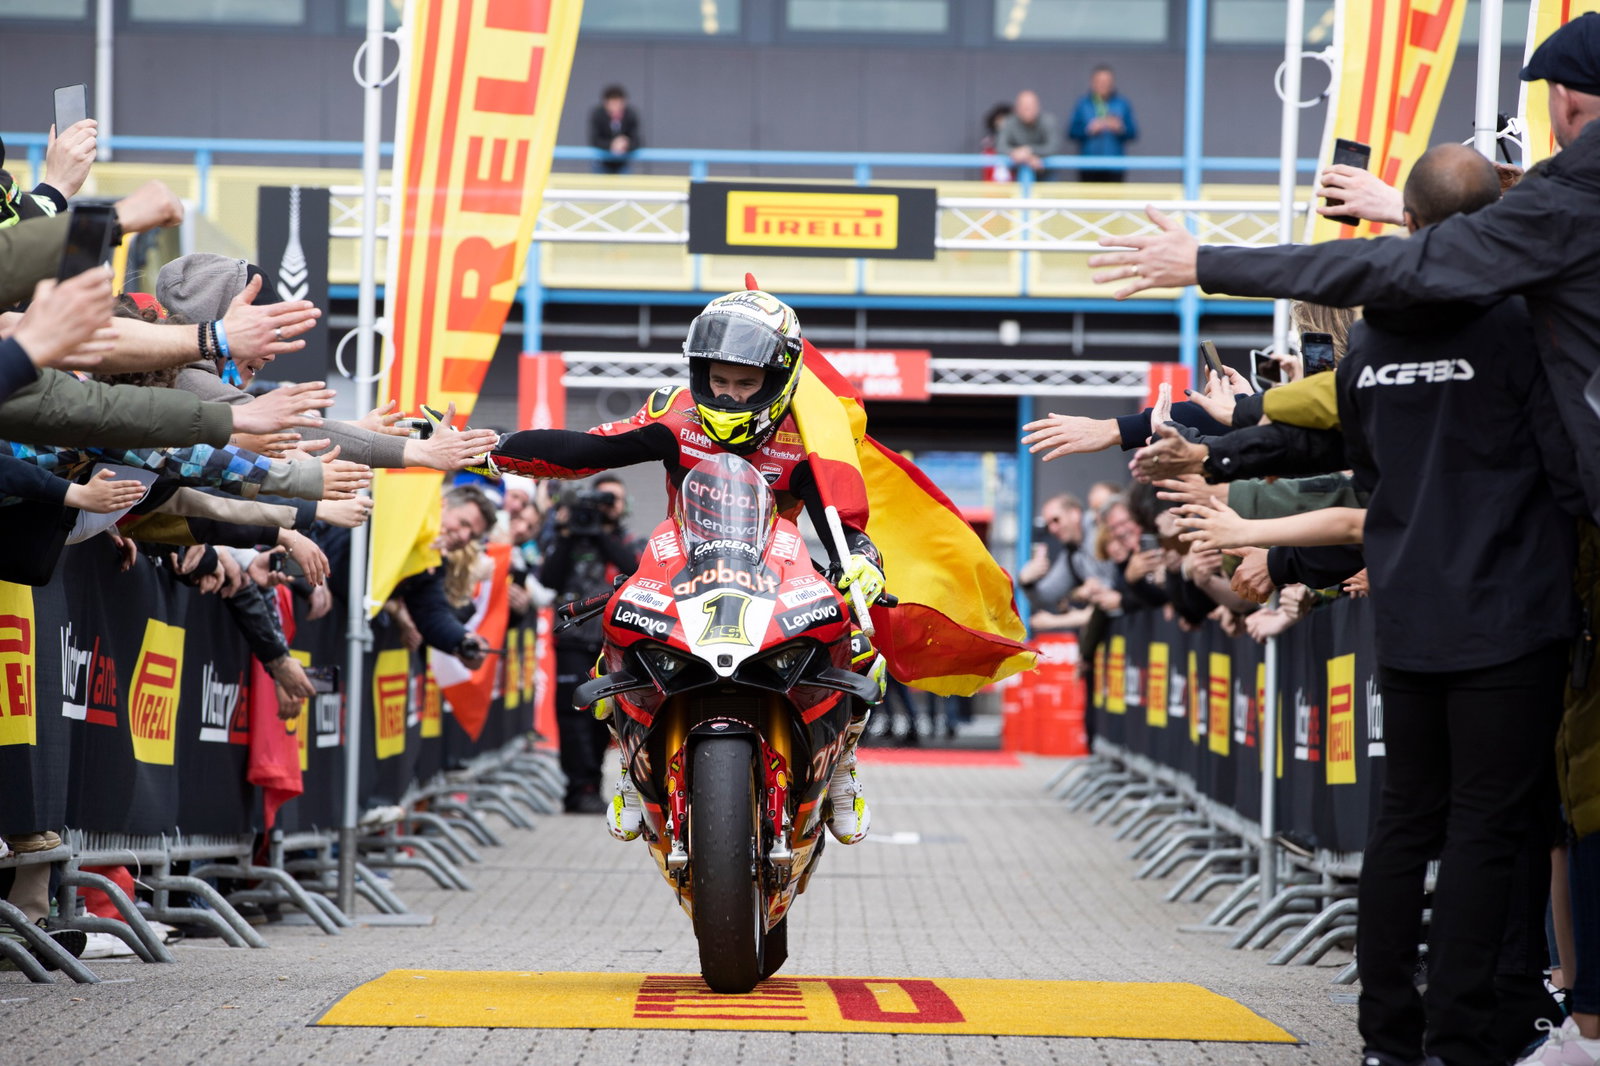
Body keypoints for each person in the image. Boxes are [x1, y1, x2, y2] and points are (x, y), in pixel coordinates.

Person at [1176, 143, 1584, 1066]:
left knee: (1403, 825)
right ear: (1499, 223)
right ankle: (1466, 1036)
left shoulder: (1376, 346)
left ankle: (1386, 1038)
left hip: (1407, 611)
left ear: (1408, 221)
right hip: (1510, 611)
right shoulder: (1527, 324)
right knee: (1487, 826)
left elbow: (1360, 466)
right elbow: (1565, 462)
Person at [480, 288, 886, 847]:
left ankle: (840, 769)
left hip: (775, 567)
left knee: (861, 642)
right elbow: (585, 450)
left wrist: (863, 563)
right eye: (720, 381)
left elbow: (842, 522)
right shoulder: (676, 414)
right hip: (683, 562)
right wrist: (489, 449)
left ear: (780, 379)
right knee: (618, 630)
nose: (730, 394)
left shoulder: (810, 432)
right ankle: (628, 765)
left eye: (746, 384)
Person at [537, 474, 642, 813]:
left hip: (612, 644)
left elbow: (635, 569)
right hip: (571, 641)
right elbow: (547, 579)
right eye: (600, 499)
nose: (604, 508)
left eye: (612, 501)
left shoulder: (628, 541)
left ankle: (593, 784)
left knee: (605, 719)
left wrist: (600, 532)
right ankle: (576, 788)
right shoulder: (567, 539)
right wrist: (570, 532)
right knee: (572, 717)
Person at [1067, 65, 1138, 182]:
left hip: (1115, 166)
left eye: (1106, 81)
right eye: (1099, 81)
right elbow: (1071, 132)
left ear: (1112, 83)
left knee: (1114, 199)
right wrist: (1089, 129)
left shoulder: (1122, 104)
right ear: (1092, 82)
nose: (1103, 85)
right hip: (1088, 166)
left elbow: (1133, 132)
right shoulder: (1083, 104)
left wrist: (1120, 128)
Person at [994, 90, 1061, 182]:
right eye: (1024, 106)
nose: (1028, 109)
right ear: (1017, 108)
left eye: (1031, 106)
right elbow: (1000, 147)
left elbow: (1053, 147)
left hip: (1045, 173)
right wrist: (1017, 154)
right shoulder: (1009, 122)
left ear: (1038, 107)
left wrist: (1029, 151)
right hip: (1017, 174)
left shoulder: (1048, 121)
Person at [588, 84, 641, 175]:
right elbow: (594, 140)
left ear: (624, 103)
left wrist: (625, 144)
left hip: (623, 163)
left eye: (618, 104)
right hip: (601, 163)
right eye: (612, 104)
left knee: (624, 187)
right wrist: (612, 145)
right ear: (606, 103)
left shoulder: (631, 115)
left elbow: (637, 140)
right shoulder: (598, 115)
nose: (615, 108)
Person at [980, 102, 1014, 183]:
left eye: (1007, 120)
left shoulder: (1017, 145)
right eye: (1000, 120)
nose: (1003, 124)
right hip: (992, 190)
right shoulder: (988, 147)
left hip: (1014, 191)